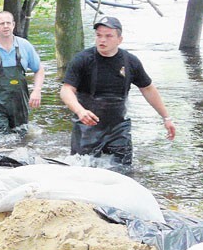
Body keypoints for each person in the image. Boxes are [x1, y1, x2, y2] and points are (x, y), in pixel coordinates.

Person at [60, 16, 176, 165]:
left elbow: (147, 88)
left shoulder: (130, 62)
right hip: (87, 127)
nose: (102, 40)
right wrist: (80, 111)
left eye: (108, 36)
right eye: (99, 35)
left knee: (124, 170)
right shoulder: (82, 59)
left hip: (119, 128)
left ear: (119, 39)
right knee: (83, 170)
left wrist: (166, 118)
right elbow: (66, 90)